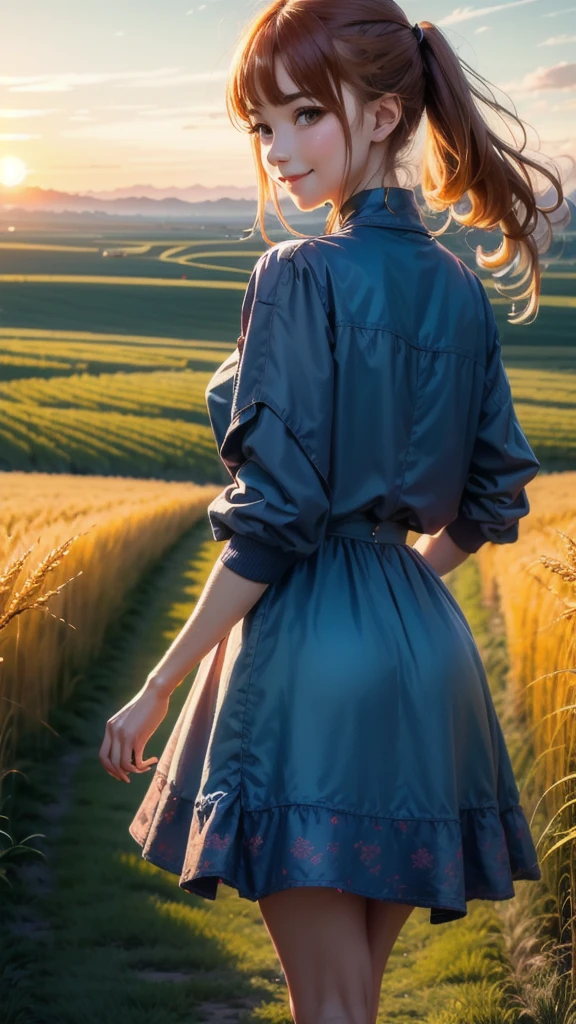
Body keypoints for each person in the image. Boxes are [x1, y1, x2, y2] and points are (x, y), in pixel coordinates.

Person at [99, 2, 571, 1021]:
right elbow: (492, 501)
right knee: (354, 993)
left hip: (310, 660)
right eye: (262, 127)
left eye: (306, 114)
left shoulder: (295, 275)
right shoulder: (459, 293)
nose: (279, 151)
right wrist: (393, 583)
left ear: (390, 112)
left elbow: (272, 520)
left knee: (329, 1005)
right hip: (428, 657)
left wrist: (155, 686)